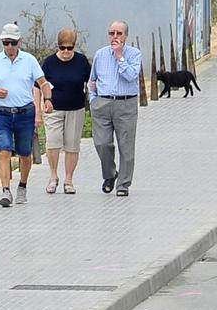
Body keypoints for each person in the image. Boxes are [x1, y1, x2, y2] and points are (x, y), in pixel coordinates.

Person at [0, 21, 50, 207]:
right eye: (6, 43)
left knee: (25, 153)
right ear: (2, 42)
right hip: (1, 113)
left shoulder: (29, 60)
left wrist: (48, 99)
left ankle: (22, 185)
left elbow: (43, 82)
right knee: (4, 149)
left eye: (13, 42)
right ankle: (6, 191)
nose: (10, 47)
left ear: (20, 42)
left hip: (24, 113)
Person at [88, 21, 142, 196]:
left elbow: (131, 76)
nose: (115, 37)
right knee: (102, 143)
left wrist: (120, 56)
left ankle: (123, 184)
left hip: (126, 104)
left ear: (126, 36)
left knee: (126, 147)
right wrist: (93, 99)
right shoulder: (100, 54)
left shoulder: (134, 54)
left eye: (119, 33)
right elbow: (92, 79)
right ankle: (110, 174)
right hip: (102, 104)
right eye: (112, 33)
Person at [40, 28, 92, 193]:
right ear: (58, 46)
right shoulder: (49, 62)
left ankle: (68, 179)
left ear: (74, 46)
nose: (66, 51)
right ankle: (53, 176)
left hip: (76, 108)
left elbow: (91, 82)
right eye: (62, 48)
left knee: (72, 144)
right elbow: (39, 84)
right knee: (53, 141)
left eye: (69, 48)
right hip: (53, 108)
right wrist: (40, 105)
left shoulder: (81, 61)